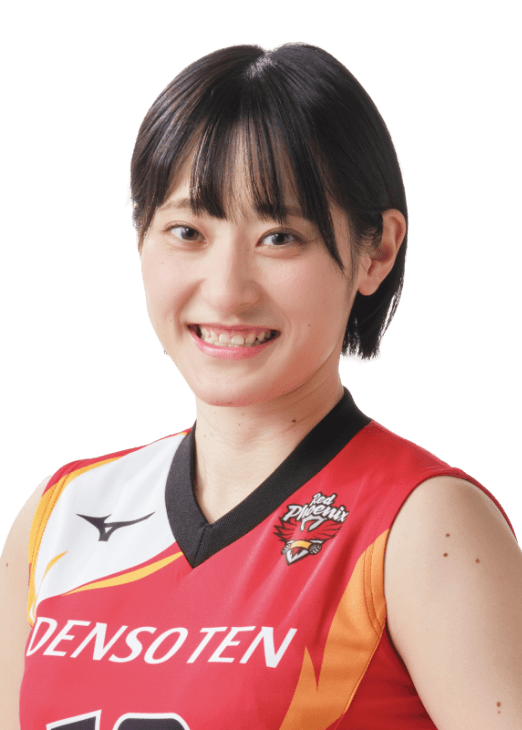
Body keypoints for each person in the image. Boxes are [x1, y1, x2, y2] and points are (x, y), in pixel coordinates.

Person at [1, 42, 521, 730]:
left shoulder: (424, 525)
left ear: (377, 249)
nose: (227, 291)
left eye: (280, 237)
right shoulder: (57, 516)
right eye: (187, 230)